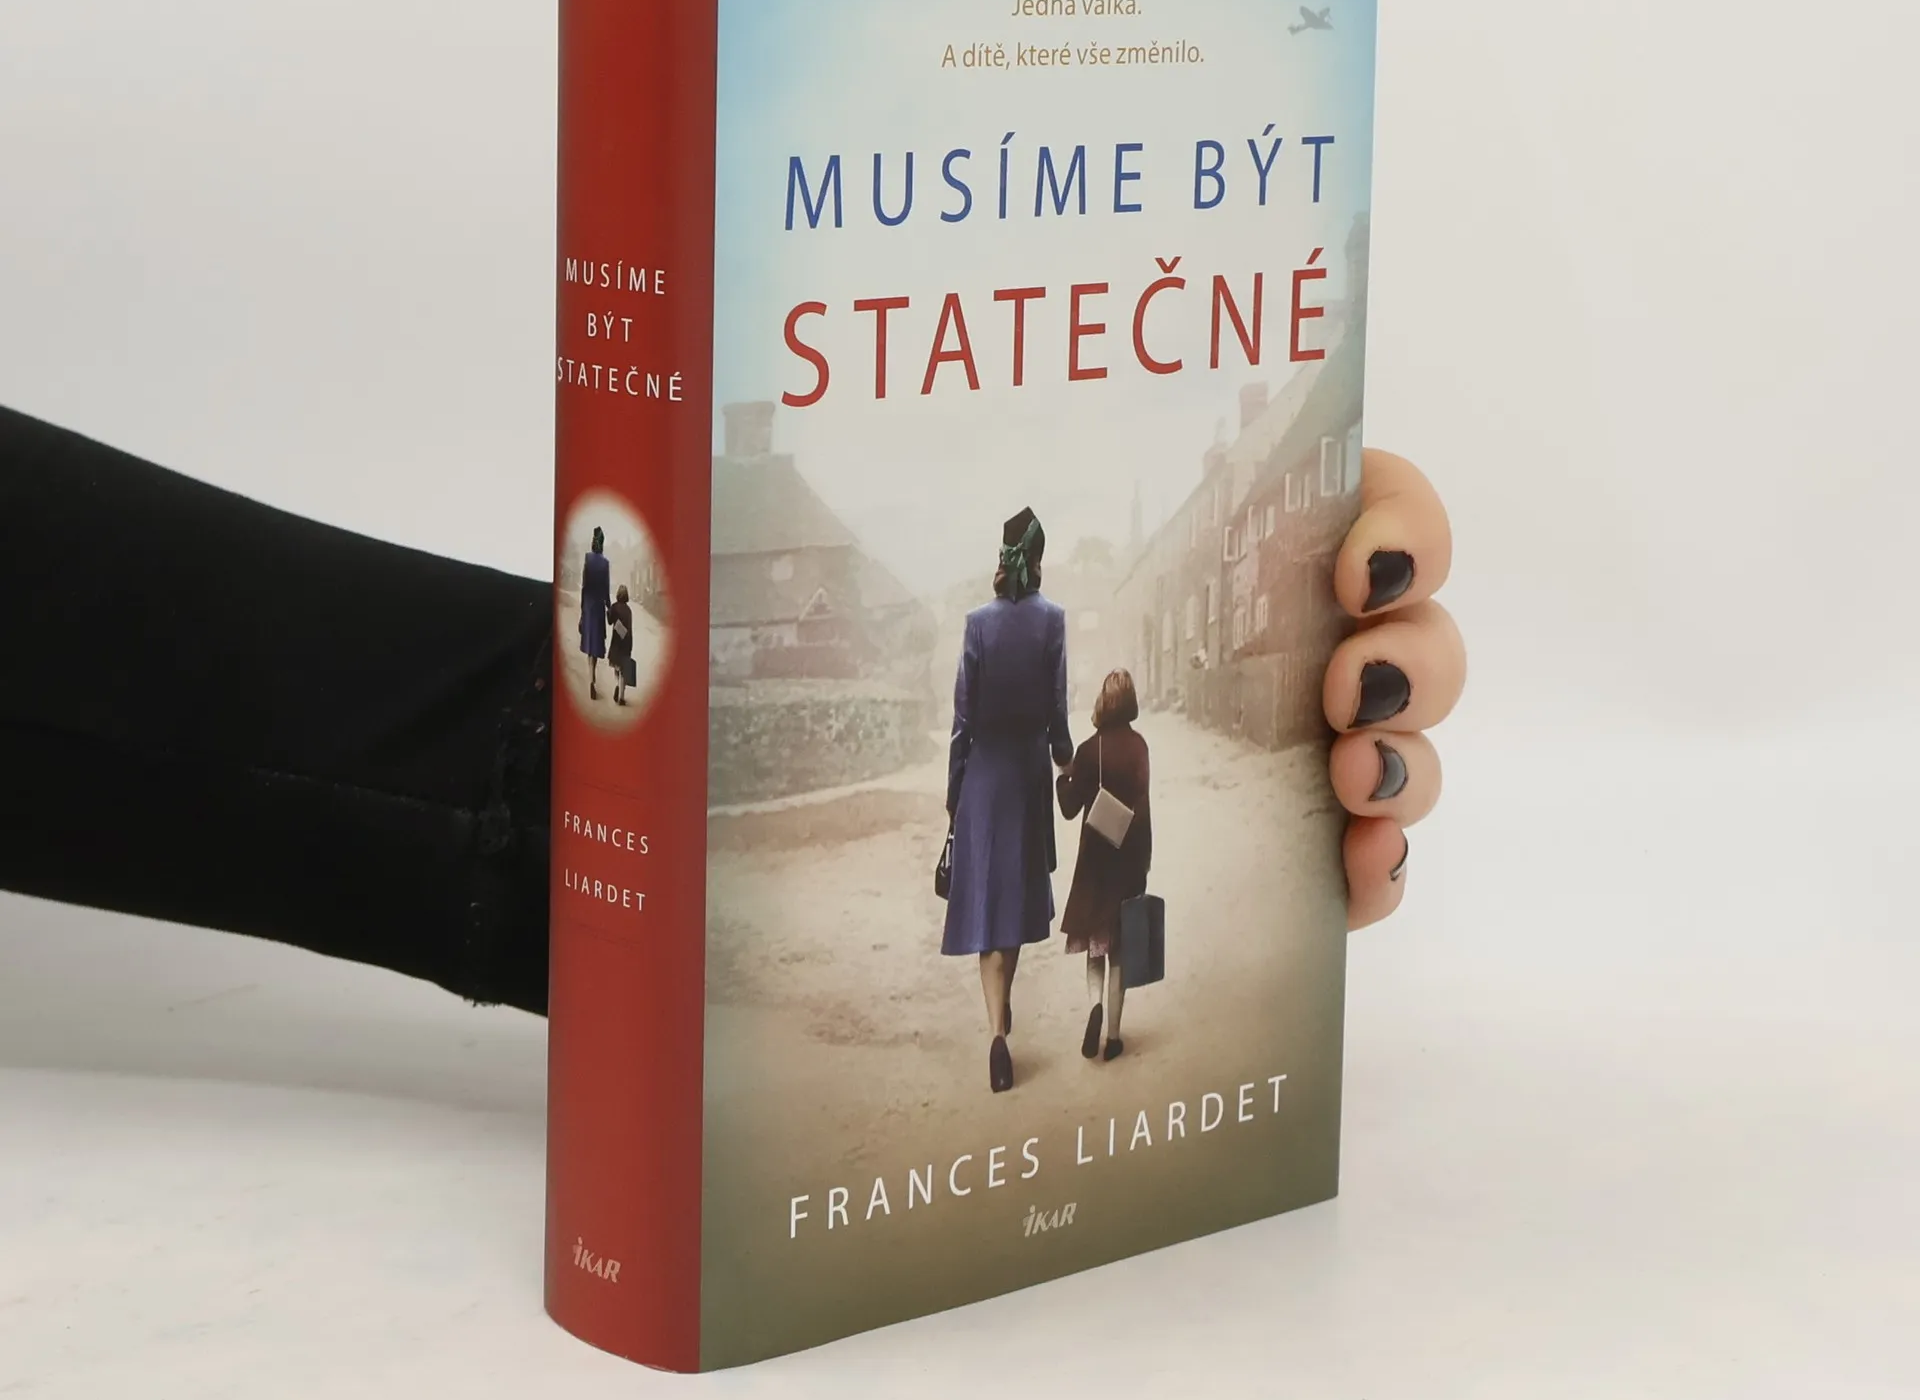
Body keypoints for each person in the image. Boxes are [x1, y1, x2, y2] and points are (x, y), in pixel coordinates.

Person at [0, 407, 1462, 1015]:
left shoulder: (1006, 633)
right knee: (1075, 905)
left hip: (995, 784)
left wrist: (614, 777)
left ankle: (1025, 1019)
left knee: (1040, 911)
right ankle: (1071, 1014)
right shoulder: (1033, 644)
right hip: (1020, 785)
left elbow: (981, 716)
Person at [940, 507, 1076, 1095]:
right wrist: (1065, 757)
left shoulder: (977, 624)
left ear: (1001, 556)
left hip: (984, 777)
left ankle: (997, 1034)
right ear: (1039, 560)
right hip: (1026, 776)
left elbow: (962, 718)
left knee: (987, 908)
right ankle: (1005, 1010)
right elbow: (1057, 707)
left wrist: (955, 792)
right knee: (1014, 902)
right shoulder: (1053, 620)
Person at [1056, 668, 1151, 1063]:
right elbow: (1143, 807)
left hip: (1095, 862)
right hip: (1127, 859)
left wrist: (1063, 777)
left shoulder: (1087, 750)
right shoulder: (1139, 747)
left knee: (1096, 949)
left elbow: (1068, 808)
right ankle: (1113, 1037)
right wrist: (1144, 862)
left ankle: (1094, 1005)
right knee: (1121, 953)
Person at [578, 527, 610, 698]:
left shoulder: (587, 559)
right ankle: (592, 677)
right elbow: (606, 589)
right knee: (596, 644)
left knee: (589, 643)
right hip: (598, 608)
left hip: (588, 606)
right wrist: (610, 607)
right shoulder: (605, 563)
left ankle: (591, 678)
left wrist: (582, 611)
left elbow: (584, 587)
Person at [607, 583, 635, 707]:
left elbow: (609, 621)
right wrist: (630, 644)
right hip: (627, 641)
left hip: (617, 641)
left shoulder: (614, 607)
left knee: (617, 667)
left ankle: (617, 685)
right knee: (624, 669)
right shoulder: (629, 610)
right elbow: (630, 628)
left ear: (618, 594)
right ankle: (622, 697)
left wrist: (608, 611)